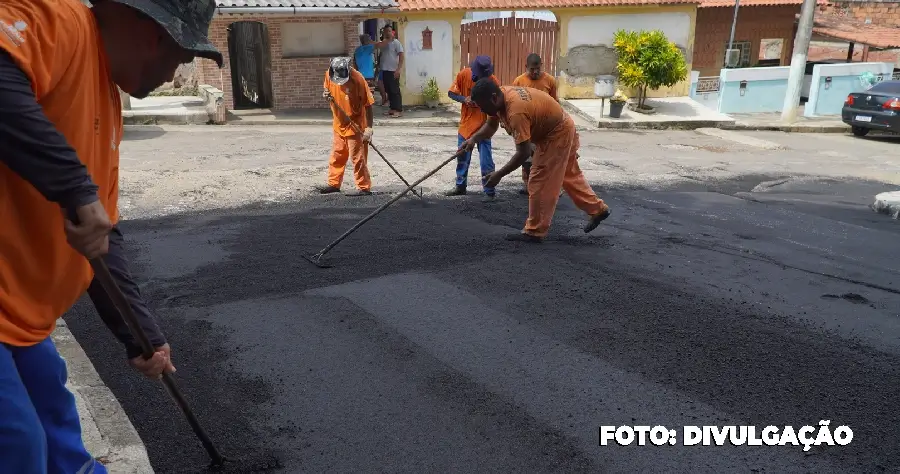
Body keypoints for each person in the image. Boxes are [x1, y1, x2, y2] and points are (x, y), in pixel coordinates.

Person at [0, 0, 221, 472]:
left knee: (60, 441)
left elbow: (101, 238)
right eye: (181, 58)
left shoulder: (105, 94)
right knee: (19, 446)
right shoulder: (52, 19)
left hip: (21, 317)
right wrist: (75, 186)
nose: (174, 73)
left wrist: (142, 336)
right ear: (153, 33)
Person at [461, 79, 612, 242]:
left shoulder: (516, 112)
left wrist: (499, 175)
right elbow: (491, 126)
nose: (482, 110)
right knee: (568, 175)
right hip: (558, 125)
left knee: (539, 180)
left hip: (556, 134)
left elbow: (523, 152)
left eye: (482, 106)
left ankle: (535, 231)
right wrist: (474, 139)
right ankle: (598, 209)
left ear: (493, 98)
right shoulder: (499, 95)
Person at [317, 57, 376, 196]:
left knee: (358, 158)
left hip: (356, 125)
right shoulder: (329, 74)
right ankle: (334, 184)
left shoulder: (358, 79)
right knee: (337, 156)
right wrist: (326, 95)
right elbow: (326, 89)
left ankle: (363, 187)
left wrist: (368, 128)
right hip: (339, 123)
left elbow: (368, 105)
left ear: (348, 70)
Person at [445, 56, 501, 201]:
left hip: (484, 126)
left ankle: (489, 191)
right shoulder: (464, 75)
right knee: (462, 157)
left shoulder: (493, 81)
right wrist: (464, 99)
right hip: (466, 125)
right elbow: (451, 93)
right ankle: (460, 186)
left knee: (486, 160)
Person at [512, 53, 559, 195]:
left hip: (544, 126)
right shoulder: (519, 81)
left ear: (541, 66)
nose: (535, 72)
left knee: (544, 156)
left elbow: (555, 102)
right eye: (532, 69)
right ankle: (527, 185)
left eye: (537, 68)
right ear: (526, 67)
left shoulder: (549, 81)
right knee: (525, 156)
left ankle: (544, 185)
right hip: (526, 125)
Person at [374, 25, 404, 118]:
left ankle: (398, 110)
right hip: (384, 70)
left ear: (392, 32)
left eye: (389, 31)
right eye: (386, 31)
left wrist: (398, 69)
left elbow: (401, 56)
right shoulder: (383, 44)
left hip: (393, 71)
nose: (387, 33)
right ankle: (392, 109)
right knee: (388, 90)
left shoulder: (396, 43)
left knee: (395, 90)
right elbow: (378, 51)